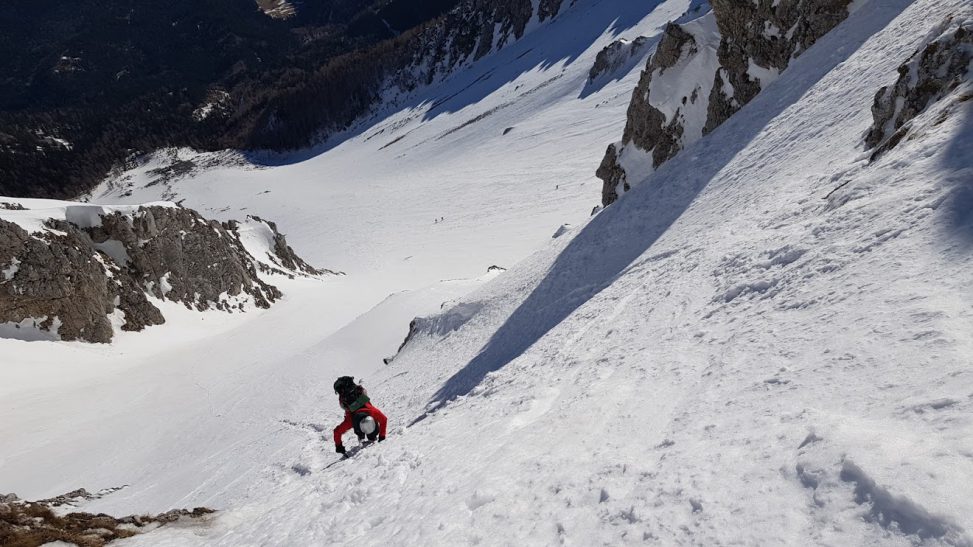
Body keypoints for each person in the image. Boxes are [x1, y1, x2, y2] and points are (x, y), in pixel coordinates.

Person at [332, 376, 388, 455]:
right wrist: (382, 436)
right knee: (368, 432)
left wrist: (339, 447)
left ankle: (361, 437)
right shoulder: (372, 411)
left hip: (355, 411)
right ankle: (367, 436)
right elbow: (384, 420)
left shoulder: (351, 419)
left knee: (362, 430)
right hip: (362, 408)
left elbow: (337, 432)